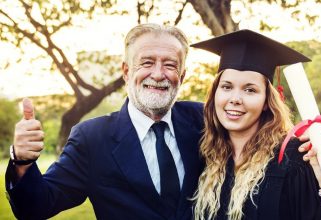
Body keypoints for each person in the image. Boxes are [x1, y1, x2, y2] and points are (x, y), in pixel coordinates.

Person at [5, 23, 204, 220]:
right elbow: (36, 207)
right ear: (126, 72)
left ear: (182, 75)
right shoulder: (91, 138)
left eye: (170, 65)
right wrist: (22, 161)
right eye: (147, 63)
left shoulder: (204, 120)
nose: (159, 74)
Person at [191, 29, 321, 219]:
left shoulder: (297, 157)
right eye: (227, 87)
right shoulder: (206, 156)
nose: (235, 99)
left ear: (266, 101)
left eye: (250, 90)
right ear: (215, 93)